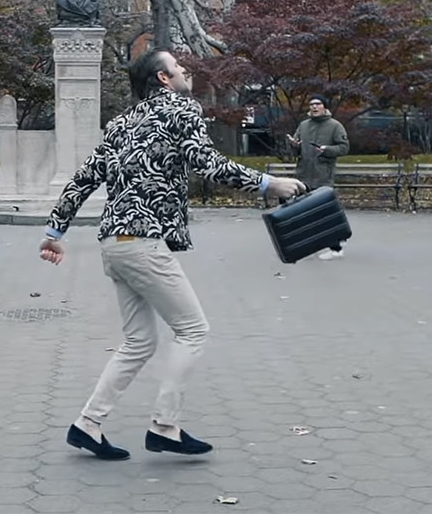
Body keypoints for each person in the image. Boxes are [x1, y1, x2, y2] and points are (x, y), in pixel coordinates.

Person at [39, 48, 306, 461]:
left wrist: (54, 232)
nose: (185, 71)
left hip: (114, 244)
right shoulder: (181, 109)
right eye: (178, 67)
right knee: (193, 330)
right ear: (163, 78)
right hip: (143, 243)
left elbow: (85, 177)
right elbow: (206, 162)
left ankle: (87, 425)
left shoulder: (122, 122)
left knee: (139, 342)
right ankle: (165, 427)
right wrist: (270, 183)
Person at [286, 94, 350, 260]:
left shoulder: (334, 126)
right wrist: (294, 145)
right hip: (304, 175)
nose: (314, 107)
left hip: (323, 176)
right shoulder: (304, 125)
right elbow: (296, 149)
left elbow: (344, 147)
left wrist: (327, 150)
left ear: (324, 106)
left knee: (325, 213)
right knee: (306, 213)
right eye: (311, 104)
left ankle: (336, 248)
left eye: (318, 104)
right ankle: (312, 244)